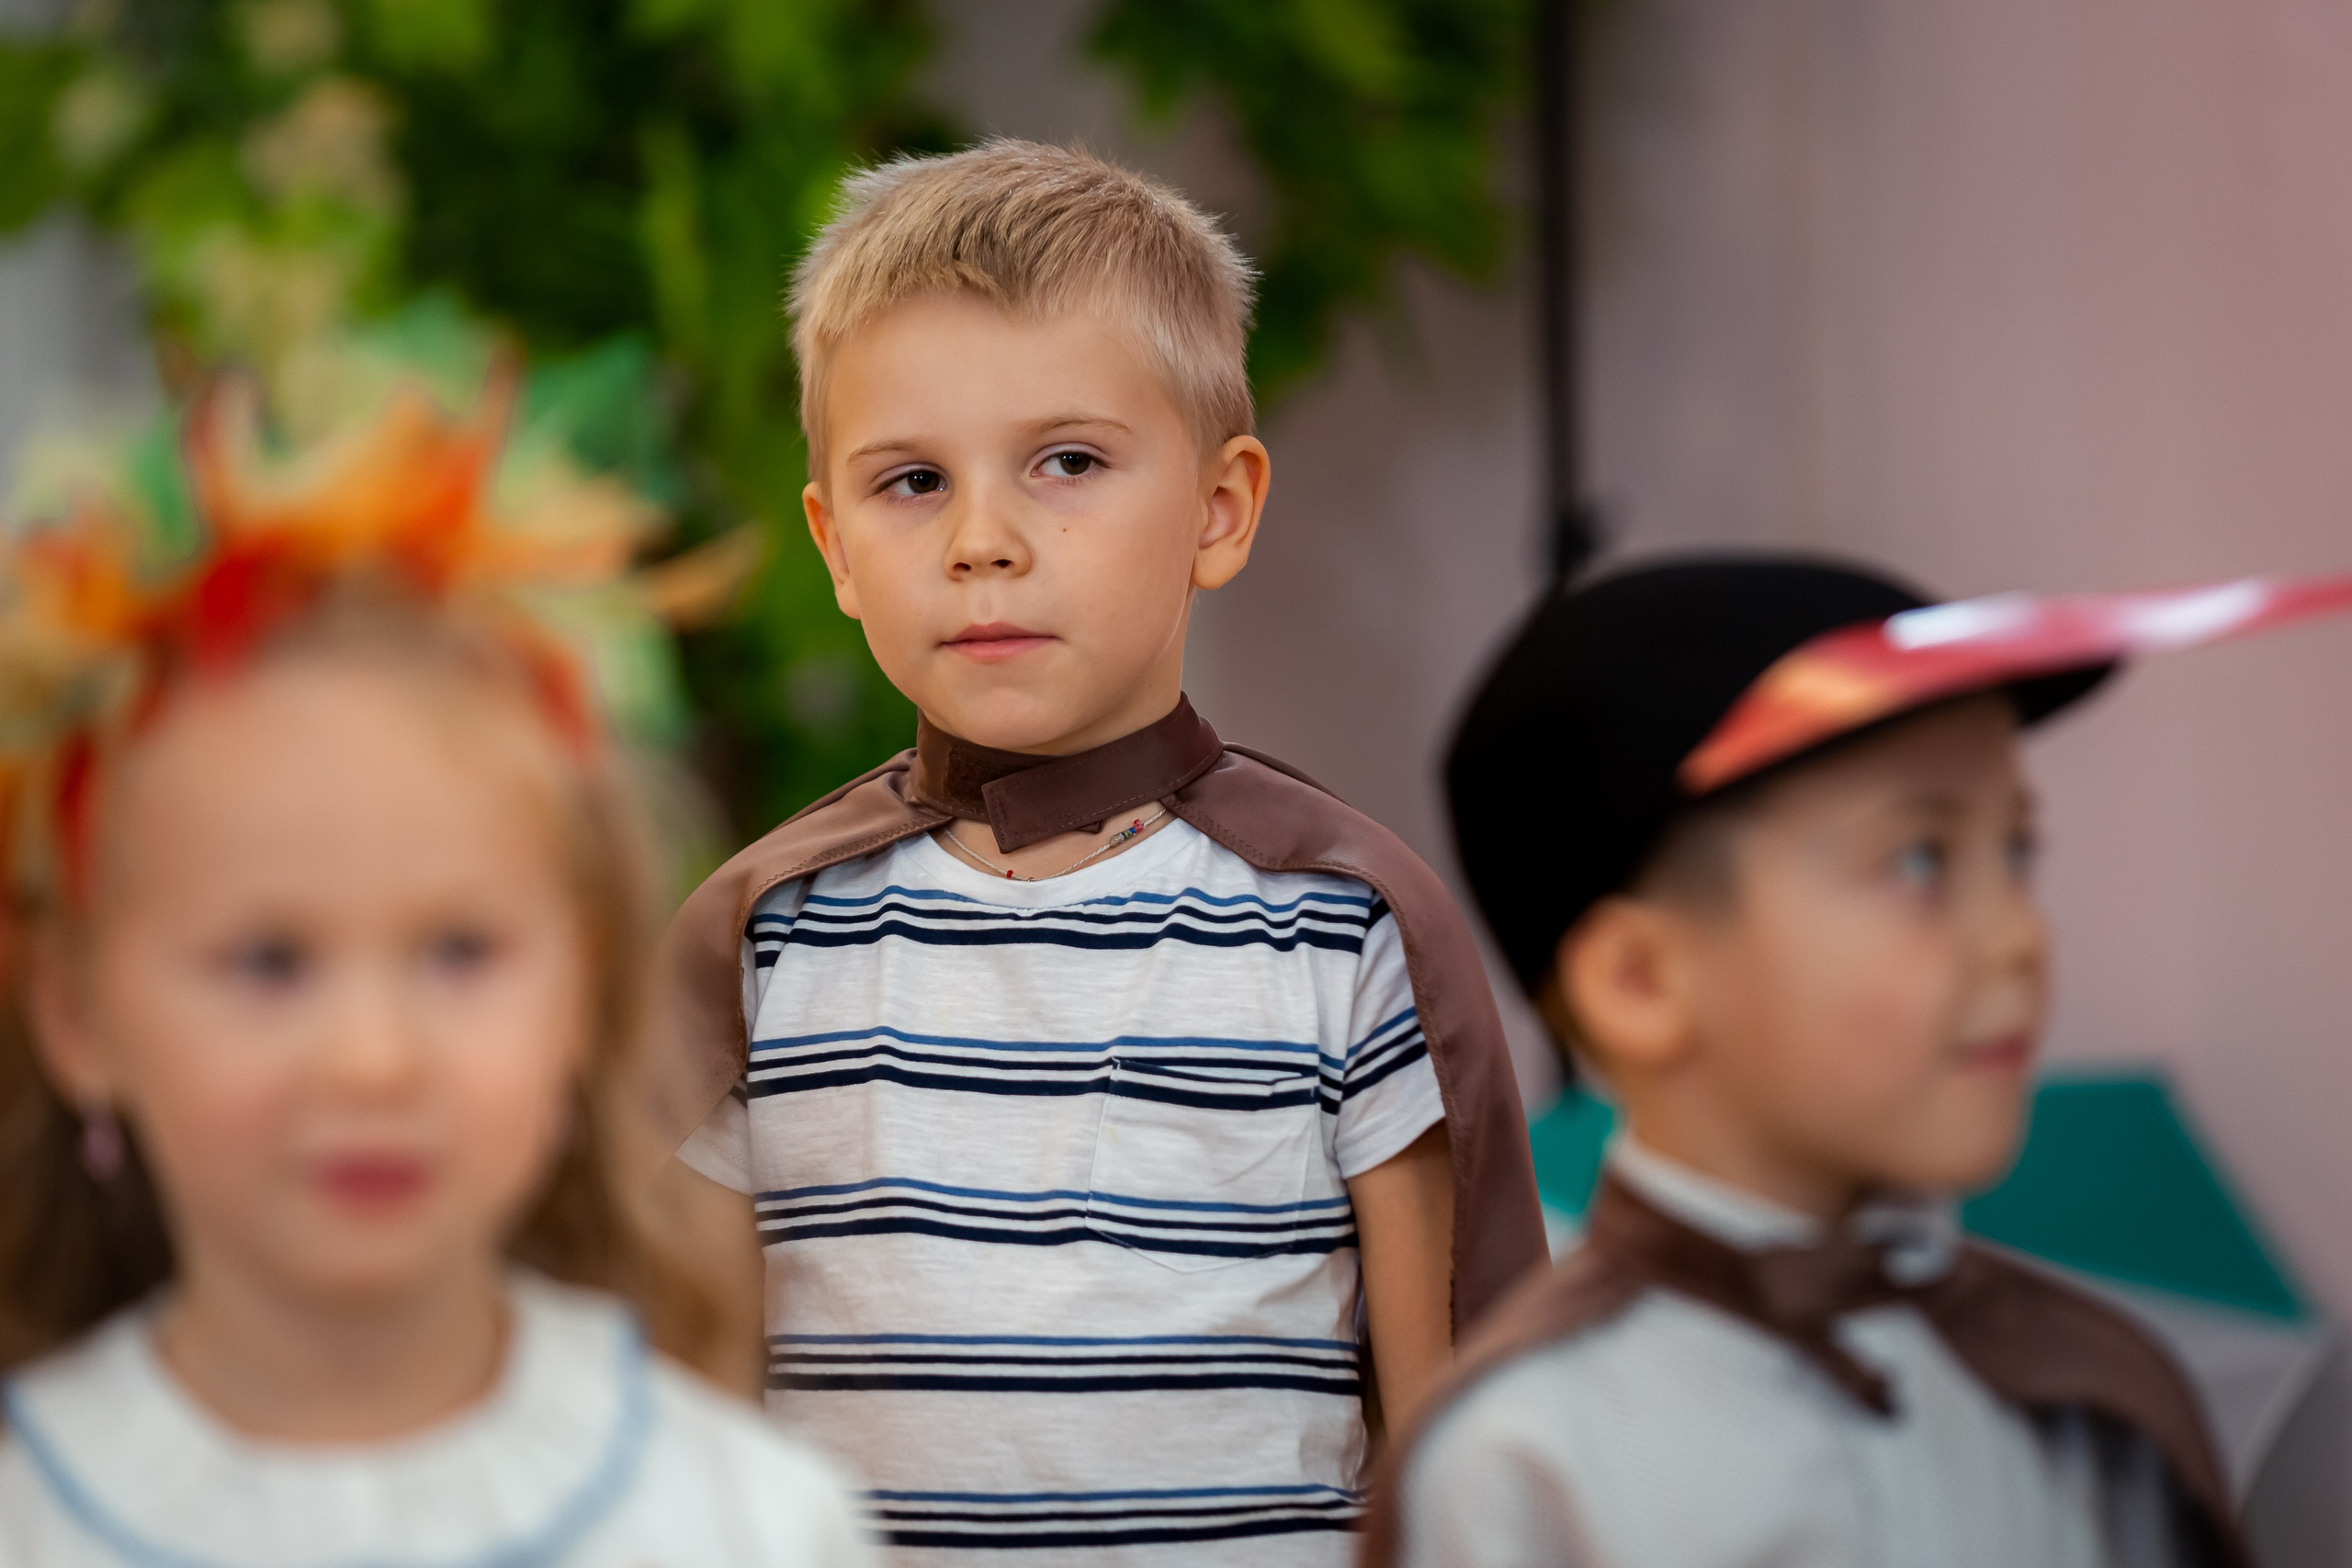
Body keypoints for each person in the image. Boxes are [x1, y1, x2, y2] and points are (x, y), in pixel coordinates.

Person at [646, 139, 1546, 1564]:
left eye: (1067, 462)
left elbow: (1453, 1447)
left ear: (1220, 506)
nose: (985, 539)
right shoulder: (764, 939)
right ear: (830, 541)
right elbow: (683, 1441)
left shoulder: (1339, 925)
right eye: (912, 481)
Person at [0, 369, 876, 1566]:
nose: (373, 1057)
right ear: (77, 1011)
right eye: (268, 959)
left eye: (460, 950)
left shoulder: (749, 1523)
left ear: (587, 982)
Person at [1362, 554, 2281, 1568]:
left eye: (2015, 852)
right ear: (1639, 981)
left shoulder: (2100, 1397)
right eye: (1921, 859)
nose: (2018, 934)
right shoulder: (1525, 1463)